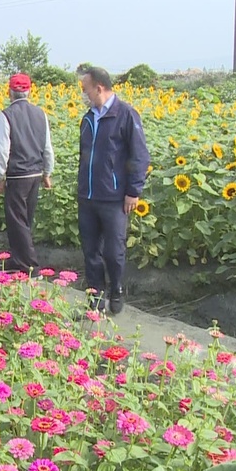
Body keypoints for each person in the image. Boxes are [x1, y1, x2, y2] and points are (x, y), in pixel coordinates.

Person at [77, 66, 151, 315]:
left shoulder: (126, 114)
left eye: (86, 90)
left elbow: (140, 156)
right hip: (87, 196)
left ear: (99, 88)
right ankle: (95, 298)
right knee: (91, 251)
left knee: (113, 250)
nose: (84, 95)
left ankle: (116, 289)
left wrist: (133, 191)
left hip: (114, 197)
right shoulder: (88, 118)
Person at [0, 72, 54, 276]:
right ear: (29, 92)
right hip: (35, 173)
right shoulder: (40, 114)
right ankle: (17, 260)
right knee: (25, 219)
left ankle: (30, 266)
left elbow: (2, 150)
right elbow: (47, 147)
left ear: (10, 92)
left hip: (17, 174)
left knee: (16, 220)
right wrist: (47, 172)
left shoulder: (6, 115)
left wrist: (0, 177)